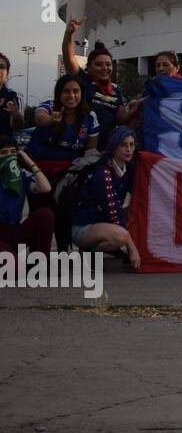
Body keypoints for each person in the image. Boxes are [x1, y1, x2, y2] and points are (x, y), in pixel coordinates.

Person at [69, 126, 140, 269]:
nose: (129, 149)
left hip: (101, 222)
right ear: (114, 147)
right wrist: (133, 249)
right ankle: (89, 252)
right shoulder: (103, 173)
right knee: (121, 236)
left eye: (131, 145)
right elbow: (113, 211)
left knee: (137, 211)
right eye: (123, 145)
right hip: (83, 226)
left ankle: (99, 249)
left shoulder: (125, 168)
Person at [62, 19, 136, 147]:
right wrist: (69, 34)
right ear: (88, 67)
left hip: (108, 148)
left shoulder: (115, 89)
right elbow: (69, 57)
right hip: (82, 146)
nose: (105, 68)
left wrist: (137, 106)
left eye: (108, 64)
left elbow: (121, 118)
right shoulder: (82, 80)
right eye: (98, 65)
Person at [0, 140, 54, 255]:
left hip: (15, 229)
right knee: (11, 269)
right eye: (4, 153)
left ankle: (40, 262)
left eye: (13, 152)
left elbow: (46, 188)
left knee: (45, 215)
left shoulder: (21, 175)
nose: (9, 156)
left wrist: (29, 162)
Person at [28, 75, 100, 160]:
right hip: (37, 165)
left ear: (82, 93)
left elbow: (90, 154)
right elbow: (39, 117)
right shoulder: (49, 106)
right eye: (66, 91)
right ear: (59, 93)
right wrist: (50, 120)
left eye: (76, 91)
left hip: (72, 169)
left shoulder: (90, 116)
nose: (71, 95)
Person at [0, 53, 23, 147]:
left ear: (7, 73)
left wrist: (15, 114)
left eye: (1, 67)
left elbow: (17, 127)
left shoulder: (13, 96)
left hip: (4, 148)